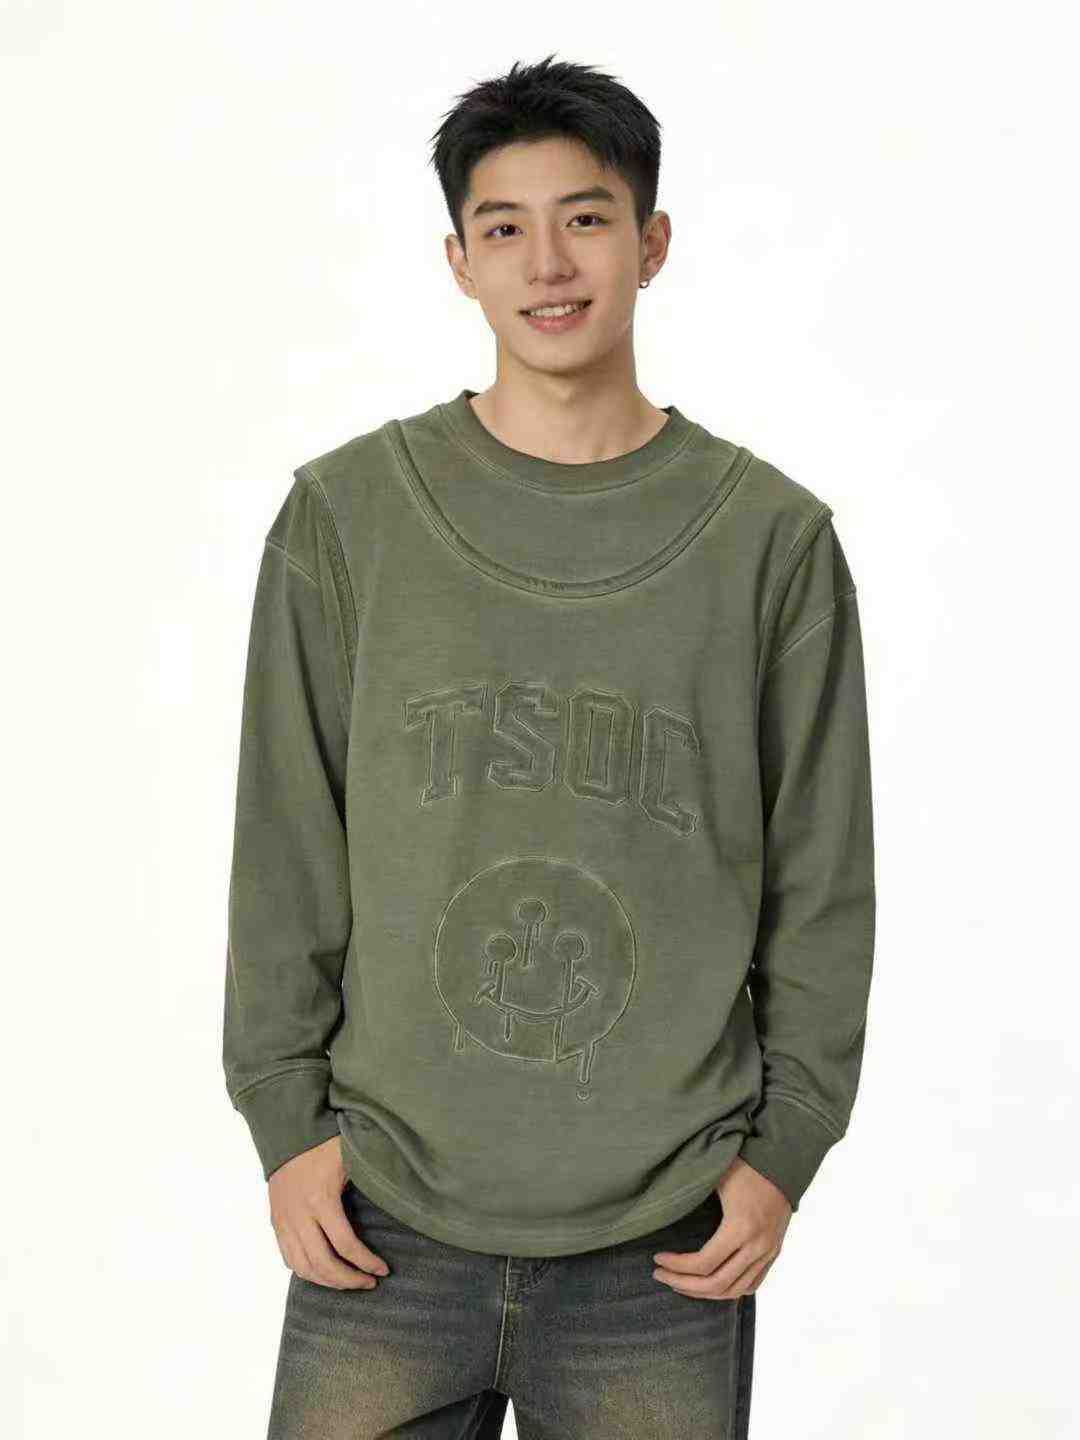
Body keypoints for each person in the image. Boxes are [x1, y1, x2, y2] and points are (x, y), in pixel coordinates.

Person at [223, 52, 876, 1440]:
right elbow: (286, 841)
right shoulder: (349, 520)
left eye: (586, 218)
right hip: (381, 1214)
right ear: (458, 261)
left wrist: (783, 1153)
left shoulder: (771, 545)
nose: (549, 264)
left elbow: (824, 881)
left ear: (652, 241)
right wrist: (285, 1122)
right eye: (504, 228)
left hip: (666, 1233)